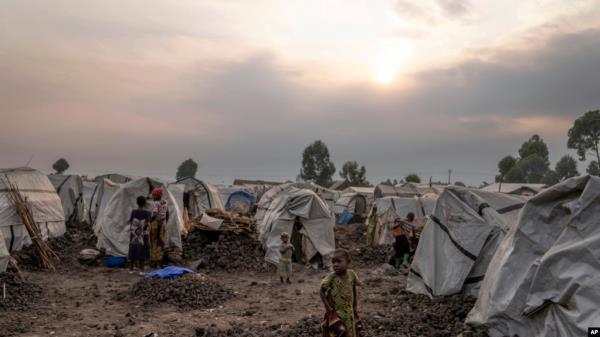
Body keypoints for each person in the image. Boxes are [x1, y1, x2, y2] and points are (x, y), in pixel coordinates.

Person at [320, 249, 361, 337]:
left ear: (348, 262)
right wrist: (328, 307)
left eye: (339, 262)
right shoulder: (331, 277)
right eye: (333, 262)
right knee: (338, 332)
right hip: (337, 312)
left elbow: (353, 289)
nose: (335, 265)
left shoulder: (351, 274)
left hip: (349, 312)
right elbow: (322, 291)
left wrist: (355, 305)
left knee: (350, 332)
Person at [128, 196, 151, 275]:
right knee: (143, 250)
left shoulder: (133, 211)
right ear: (145, 203)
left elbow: (131, 221)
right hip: (143, 234)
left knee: (133, 249)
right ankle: (141, 270)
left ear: (137, 203)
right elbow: (148, 223)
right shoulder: (147, 213)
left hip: (134, 233)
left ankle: (131, 269)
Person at [149, 188, 168, 268]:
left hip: (155, 224)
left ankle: (154, 261)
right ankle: (160, 261)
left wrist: (149, 221)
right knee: (161, 242)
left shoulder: (156, 203)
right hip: (163, 224)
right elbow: (167, 213)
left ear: (157, 195)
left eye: (154, 195)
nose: (153, 196)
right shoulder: (165, 202)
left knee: (153, 242)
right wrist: (165, 221)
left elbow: (154, 213)